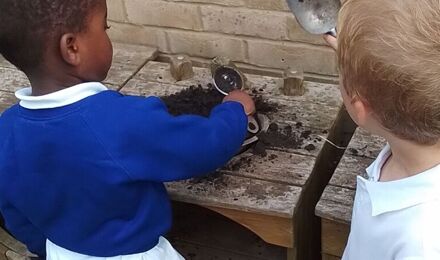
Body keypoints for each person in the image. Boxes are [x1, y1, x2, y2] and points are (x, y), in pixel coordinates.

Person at [0, 0, 255, 259]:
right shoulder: (118, 121)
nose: (108, 35)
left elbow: (13, 213)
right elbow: (203, 146)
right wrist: (234, 112)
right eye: (105, 27)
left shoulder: (6, 130)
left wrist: (48, 249)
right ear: (72, 48)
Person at [324, 0, 440, 259]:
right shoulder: (417, 132)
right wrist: (356, 61)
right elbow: (406, 81)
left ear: (359, 107)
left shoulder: (421, 243)